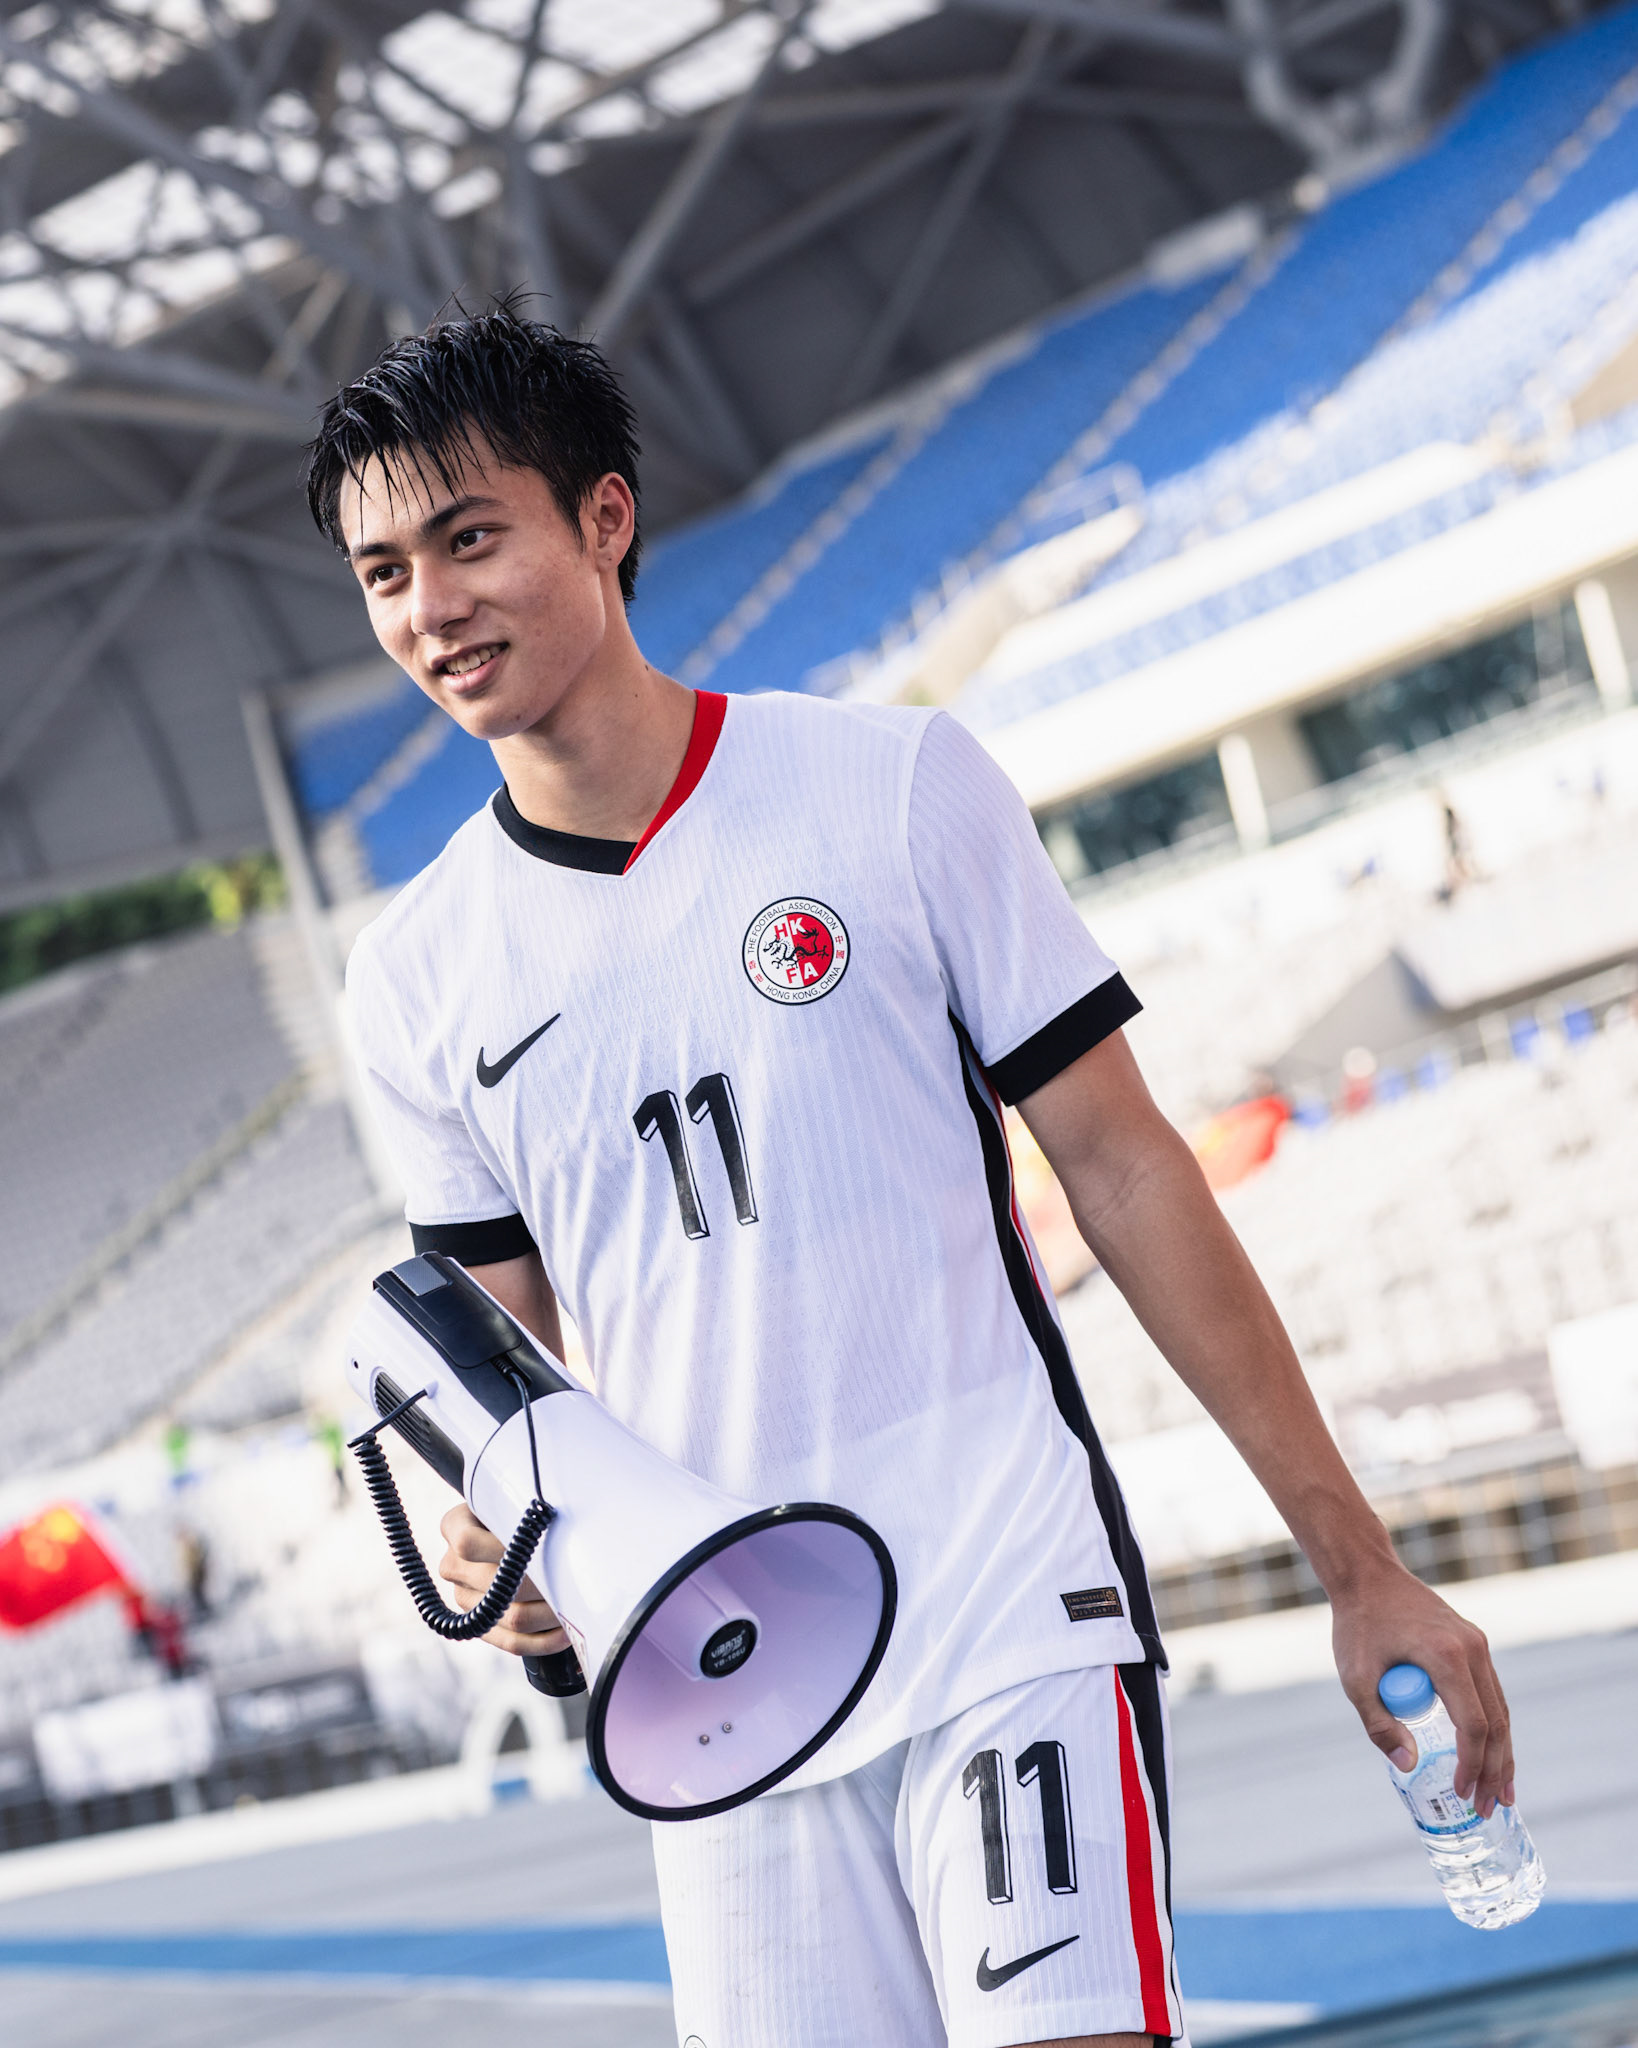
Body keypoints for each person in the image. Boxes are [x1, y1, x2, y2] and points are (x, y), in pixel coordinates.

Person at [307, 303, 1515, 2048]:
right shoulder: (412, 974)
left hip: (995, 1603)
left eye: (469, 536)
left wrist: (1358, 1569)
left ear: (604, 519)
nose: (430, 608)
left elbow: (1123, 1168)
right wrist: (497, 1556)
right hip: (721, 1695)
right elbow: (501, 1373)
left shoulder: (887, 786)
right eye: (381, 574)